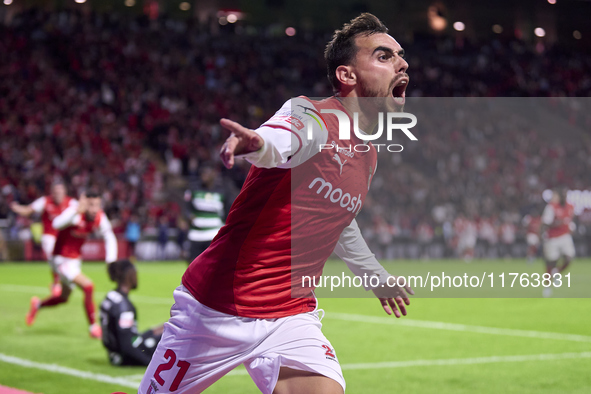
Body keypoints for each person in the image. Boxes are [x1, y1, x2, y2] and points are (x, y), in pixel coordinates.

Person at [139, 13, 413, 394]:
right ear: (346, 76)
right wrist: (259, 144)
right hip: (218, 307)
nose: (402, 64)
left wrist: (374, 276)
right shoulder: (311, 114)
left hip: (289, 314)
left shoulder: (368, 153)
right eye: (385, 56)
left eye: (401, 56)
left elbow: (338, 219)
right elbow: (286, 139)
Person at [25, 192, 118, 338]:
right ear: (84, 204)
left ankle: (37, 304)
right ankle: (93, 327)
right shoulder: (75, 213)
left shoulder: (99, 216)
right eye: (91, 205)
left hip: (74, 262)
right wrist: (76, 210)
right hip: (60, 260)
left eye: (97, 205)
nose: (94, 209)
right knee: (88, 286)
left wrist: (110, 260)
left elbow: (109, 236)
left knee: (63, 298)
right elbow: (56, 223)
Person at [10, 181, 75, 296]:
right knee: (54, 258)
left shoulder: (71, 202)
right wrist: (16, 208)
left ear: (65, 192)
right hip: (49, 236)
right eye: (56, 192)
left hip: (64, 237)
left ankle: (64, 281)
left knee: (64, 260)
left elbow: (82, 210)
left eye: (60, 191)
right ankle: (57, 283)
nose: (58, 194)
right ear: (52, 193)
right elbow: (28, 210)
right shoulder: (45, 201)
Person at [100, 259, 163, 366]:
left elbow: (127, 335)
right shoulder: (123, 306)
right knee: (169, 336)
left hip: (115, 352)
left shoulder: (111, 296)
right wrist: (149, 363)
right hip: (123, 356)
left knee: (165, 327)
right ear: (129, 275)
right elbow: (127, 345)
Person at [184, 164, 226, 264]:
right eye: (202, 173)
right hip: (196, 233)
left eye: (206, 173)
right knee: (192, 264)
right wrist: (188, 216)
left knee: (213, 264)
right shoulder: (193, 189)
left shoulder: (222, 190)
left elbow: (229, 210)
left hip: (214, 233)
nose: (204, 175)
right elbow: (186, 208)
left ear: (213, 174)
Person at [541, 188, 575, 297]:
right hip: (552, 237)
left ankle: (557, 272)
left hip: (565, 236)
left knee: (569, 258)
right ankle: (547, 286)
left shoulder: (570, 206)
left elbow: (570, 220)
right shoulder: (551, 207)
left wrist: (570, 226)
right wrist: (557, 223)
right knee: (551, 263)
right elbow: (545, 223)